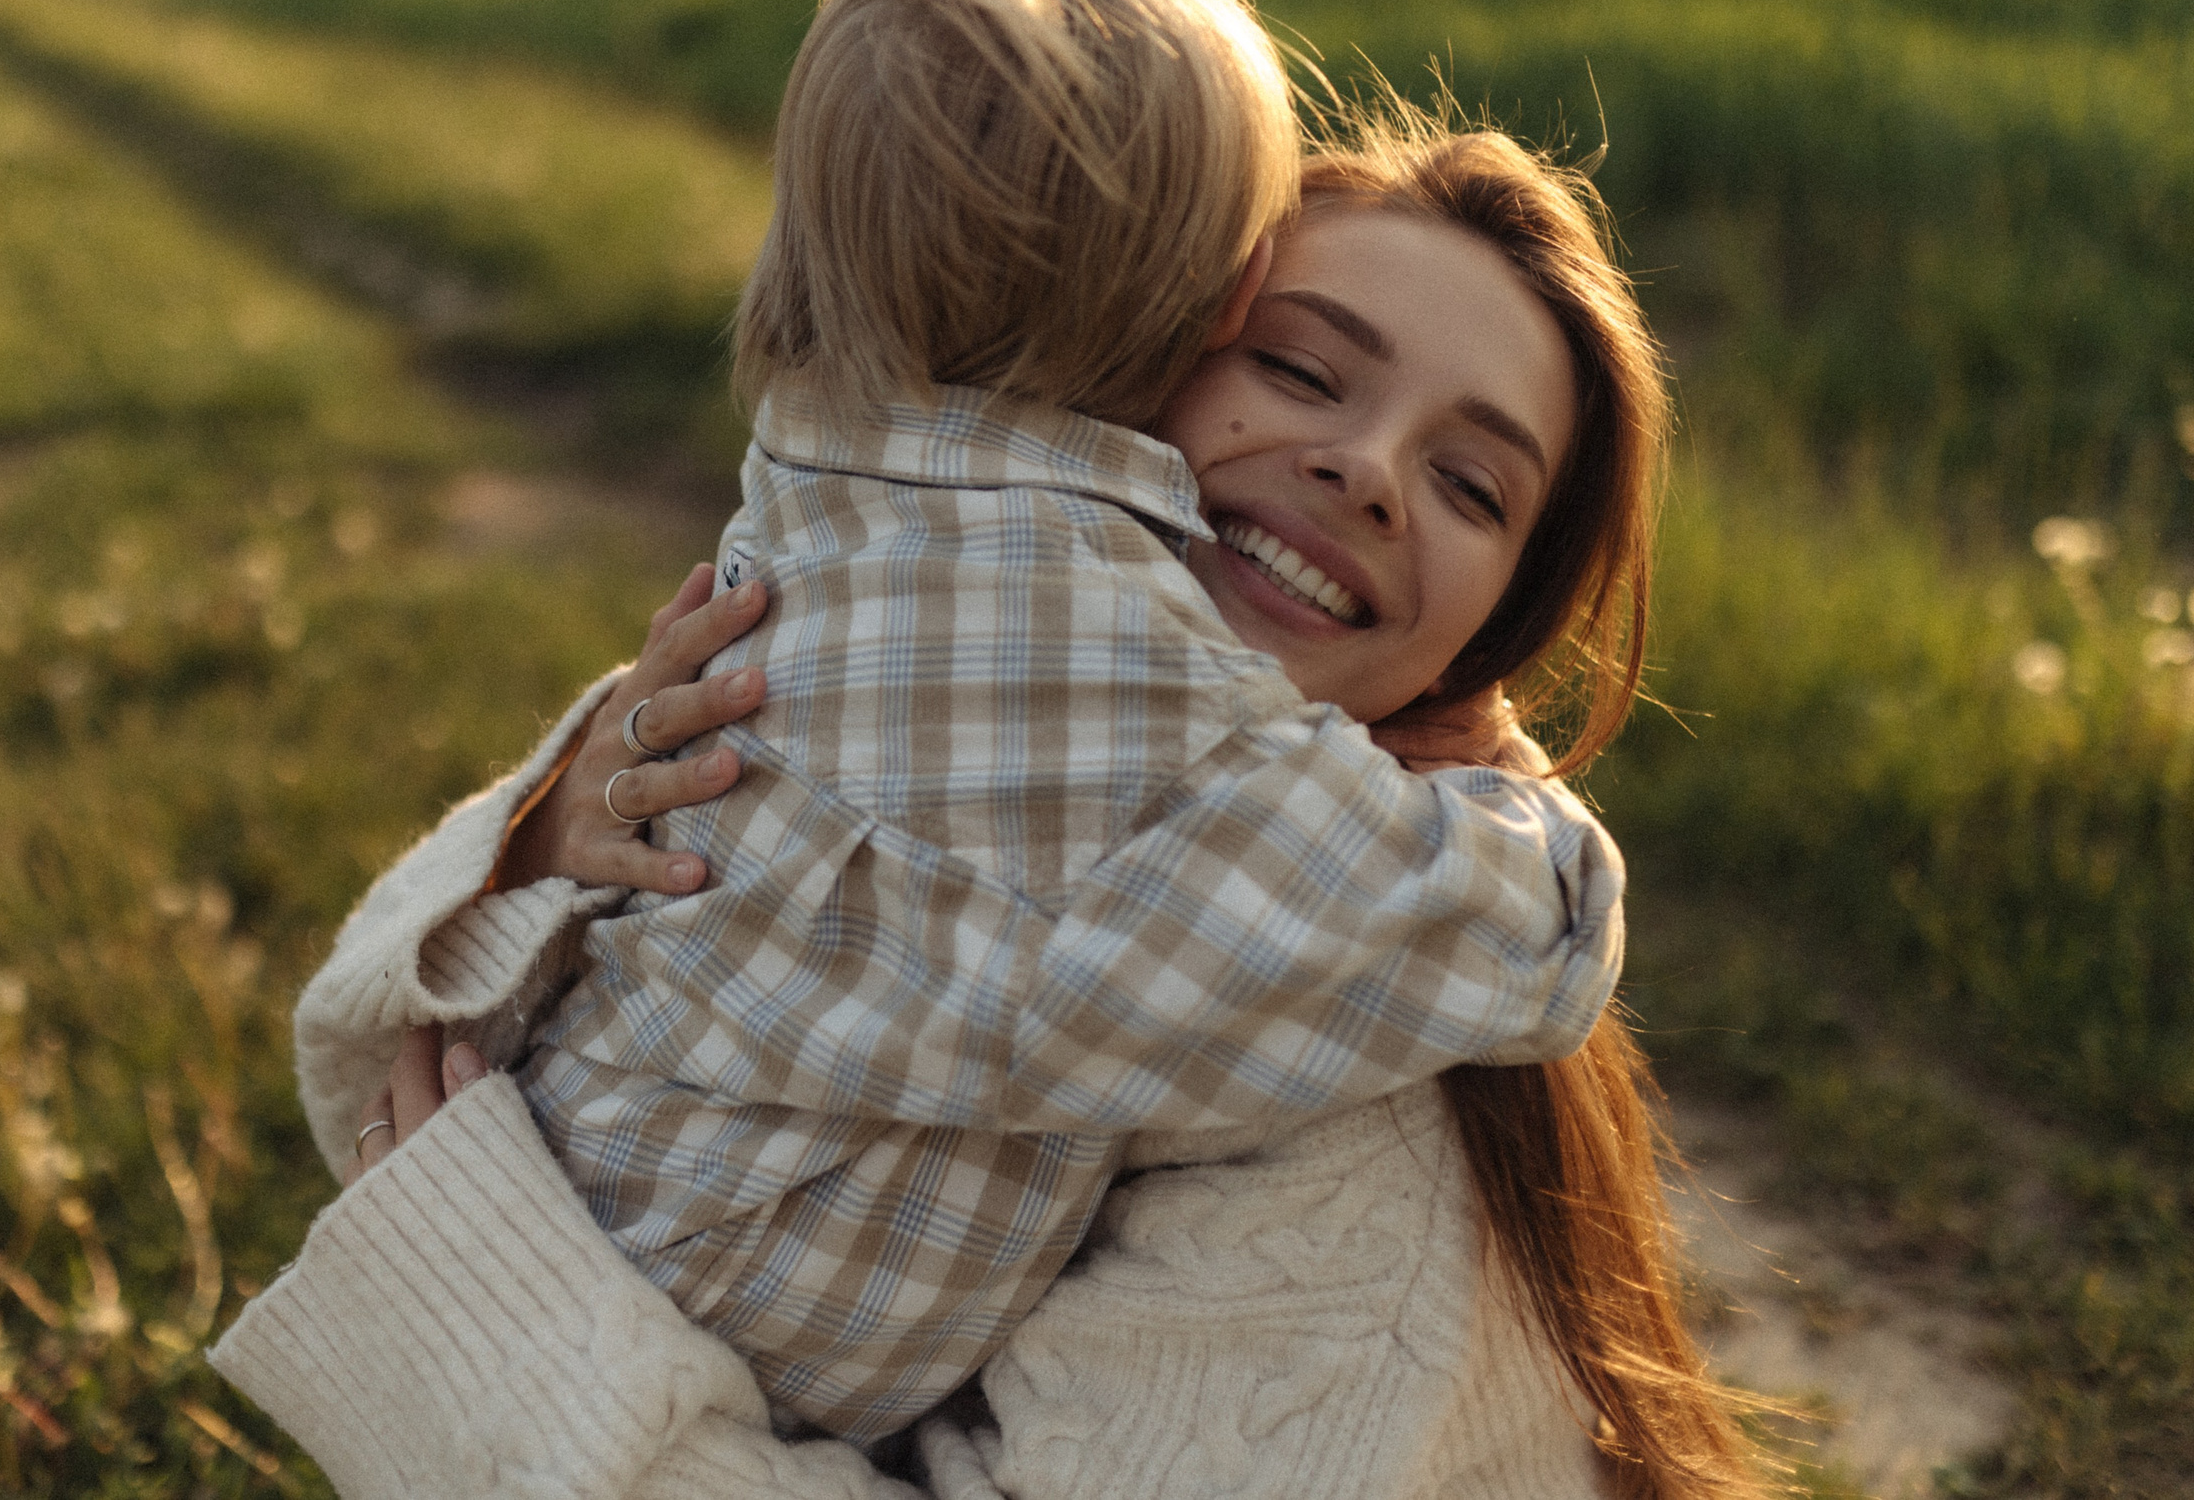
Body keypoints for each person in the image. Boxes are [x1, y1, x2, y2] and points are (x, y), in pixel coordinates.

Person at [212, 121, 1771, 1498]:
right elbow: (363, 1049)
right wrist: (554, 842)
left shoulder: (1366, 1088)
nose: (1365, 467)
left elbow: (419, 1186)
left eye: (1472, 486)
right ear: (1108, 374)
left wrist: (499, 1339)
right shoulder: (875, 706)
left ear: (1479, 644)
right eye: (1298, 369)